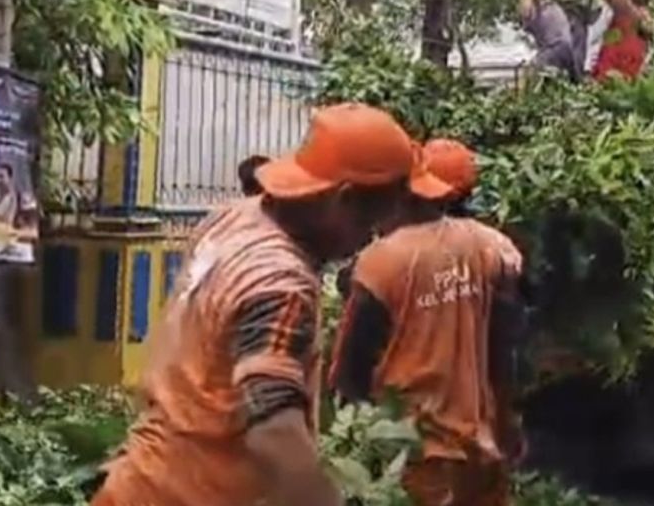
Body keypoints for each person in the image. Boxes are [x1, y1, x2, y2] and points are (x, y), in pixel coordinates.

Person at [91, 103, 451, 506]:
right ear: (344, 199)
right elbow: (272, 425)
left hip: (141, 479)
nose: (367, 241)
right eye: (369, 225)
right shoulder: (279, 283)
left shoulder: (232, 220)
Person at [328, 138, 526, 506]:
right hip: (481, 440)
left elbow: (350, 370)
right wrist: (507, 419)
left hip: (414, 446)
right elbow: (505, 343)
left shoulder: (379, 263)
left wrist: (352, 441)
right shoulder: (495, 247)